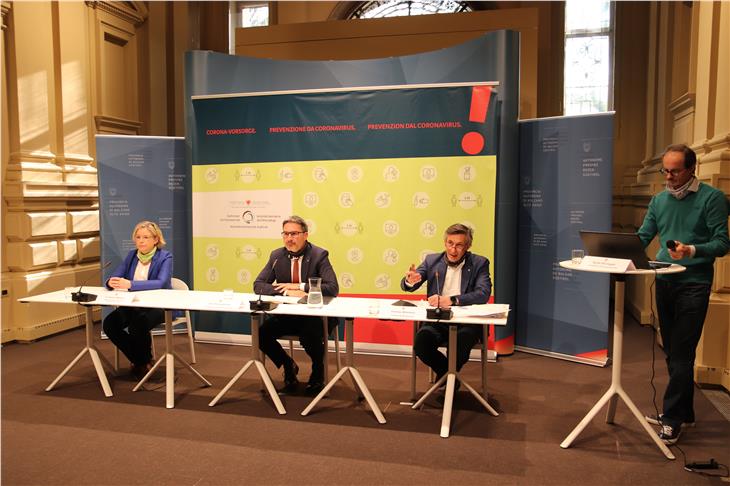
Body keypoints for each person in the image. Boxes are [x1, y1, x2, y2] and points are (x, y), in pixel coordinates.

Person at [637, 144, 730, 444]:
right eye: (665, 170)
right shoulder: (659, 200)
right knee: (673, 351)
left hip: (695, 283)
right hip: (665, 280)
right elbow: (642, 237)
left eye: (675, 171)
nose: (668, 176)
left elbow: (722, 243)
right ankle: (685, 412)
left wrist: (692, 250)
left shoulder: (712, 199)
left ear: (692, 169)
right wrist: (612, 249)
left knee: (683, 353)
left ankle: (673, 417)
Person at [253, 215, 339, 394]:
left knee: (310, 336)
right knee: (261, 334)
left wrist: (301, 287)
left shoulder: (319, 255)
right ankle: (288, 365)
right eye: (285, 234)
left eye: (294, 234)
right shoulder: (277, 255)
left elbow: (332, 288)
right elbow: (258, 285)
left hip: (315, 315)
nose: (289, 239)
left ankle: (317, 374)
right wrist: (285, 291)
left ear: (305, 235)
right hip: (288, 314)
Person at [401, 223, 492, 387]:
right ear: (445, 243)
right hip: (437, 319)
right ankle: (449, 377)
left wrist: (453, 300)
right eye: (450, 243)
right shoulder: (432, 260)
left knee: (459, 345)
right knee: (421, 343)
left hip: (467, 322)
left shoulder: (479, 263)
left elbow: (483, 293)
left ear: (468, 246)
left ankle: (447, 383)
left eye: (459, 245)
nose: (453, 250)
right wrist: (410, 280)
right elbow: (414, 280)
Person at [103, 221, 173, 379]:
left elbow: (161, 282)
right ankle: (142, 360)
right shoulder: (131, 256)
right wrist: (110, 282)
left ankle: (140, 363)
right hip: (133, 305)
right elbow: (116, 275)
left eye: (146, 237)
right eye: (138, 237)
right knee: (110, 324)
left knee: (138, 325)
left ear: (155, 239)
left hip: (159, 305)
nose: (141, 241)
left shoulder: (165, 256)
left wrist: (131, 284)